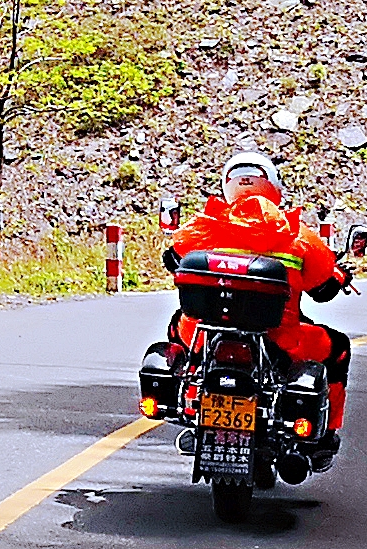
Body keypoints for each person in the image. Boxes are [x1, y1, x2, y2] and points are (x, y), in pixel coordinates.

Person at [141, 150, 355, 451]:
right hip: (279, 340)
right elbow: (324, 289)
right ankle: (325, 436)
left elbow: (173, 257)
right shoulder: (298, 234)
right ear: (275, 188)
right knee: (338, 348)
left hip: (204, 337)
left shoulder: (207, 225)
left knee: (176, 327)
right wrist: (341, 276)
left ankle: (191, 403)